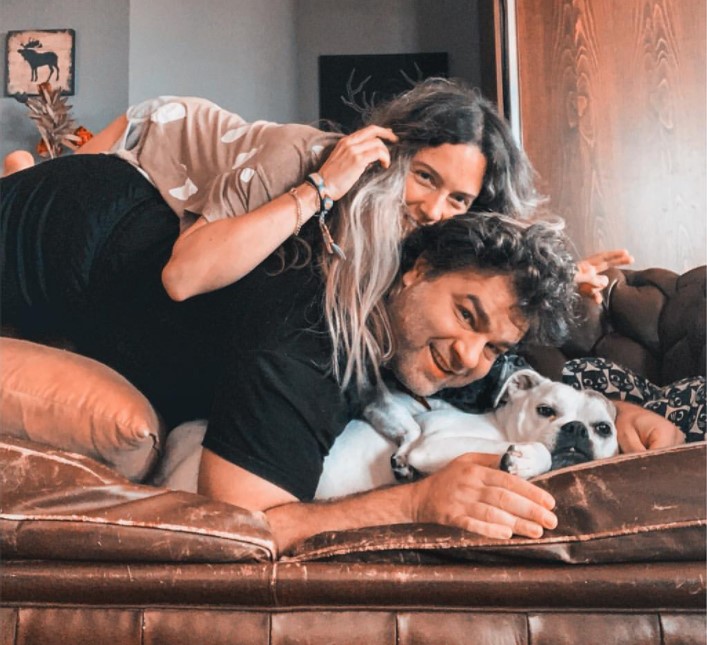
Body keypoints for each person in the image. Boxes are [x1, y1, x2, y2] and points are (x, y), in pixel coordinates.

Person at [0, 81, 683, 554]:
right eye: (465, 313)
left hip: (131, 228)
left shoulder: (419, 286)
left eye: (491, 343)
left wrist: (611, 412)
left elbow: (484, 330)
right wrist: (418, 503)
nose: (469, 354)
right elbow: (240, 525)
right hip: (66, 223)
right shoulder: (308, 311)